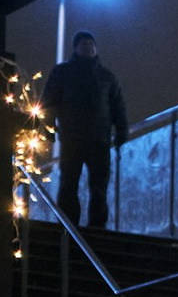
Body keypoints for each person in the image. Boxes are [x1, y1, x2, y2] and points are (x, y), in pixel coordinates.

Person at [42, 31, 127, 230]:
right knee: (68, 183)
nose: (88, 47)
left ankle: (97, 225)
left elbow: (118, 105)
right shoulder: (63, 72)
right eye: (84, 44)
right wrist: (47, 128)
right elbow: (50, 101)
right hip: (72, 139)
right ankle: (68, 225)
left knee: (99, 187)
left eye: (91, 44)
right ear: (76, 48)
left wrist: (122, 131)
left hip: (100, 140)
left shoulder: (107, 76)